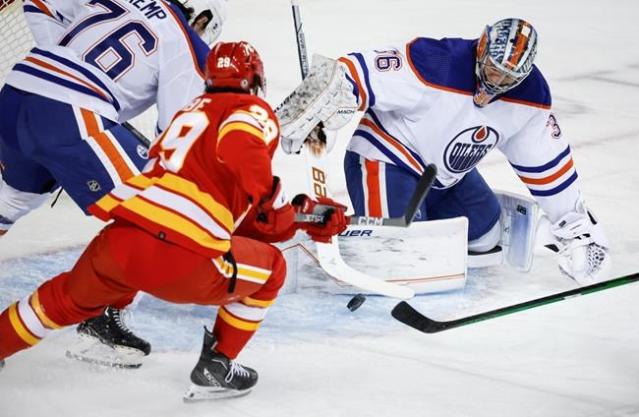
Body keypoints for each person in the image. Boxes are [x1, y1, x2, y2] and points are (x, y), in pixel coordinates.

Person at [0, 41, 348, 399]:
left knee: (60, 301)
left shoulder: (185, 115)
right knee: (272, 270)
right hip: (184, 259)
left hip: (119, 244)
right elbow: (244, 158)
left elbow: (238, 222)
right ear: (254, 80)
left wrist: (301, 216)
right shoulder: (251, 110)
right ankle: (219, 365)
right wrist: (285, 211)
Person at [276, 18, 610, 284]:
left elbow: (549, 166)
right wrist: (316, 104)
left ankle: (409, 223)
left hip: (444, 178)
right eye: (493, 68)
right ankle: (333, 227)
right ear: (482, 47)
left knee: (485, 238)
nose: (496, 82)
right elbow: (352, 71)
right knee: (396, 250)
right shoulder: (437, 60)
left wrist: (577, 226)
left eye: (509, 77)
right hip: (385, 158)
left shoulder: (530, 99)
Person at [0, 0, 224, 365]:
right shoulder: (187, 42)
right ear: (201, 18)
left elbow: (39, 3)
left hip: (18, 90)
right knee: (158, 213)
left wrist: (59, 57)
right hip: (69, 111)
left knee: (7, 204)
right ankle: (103, 315)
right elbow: (174, 142)